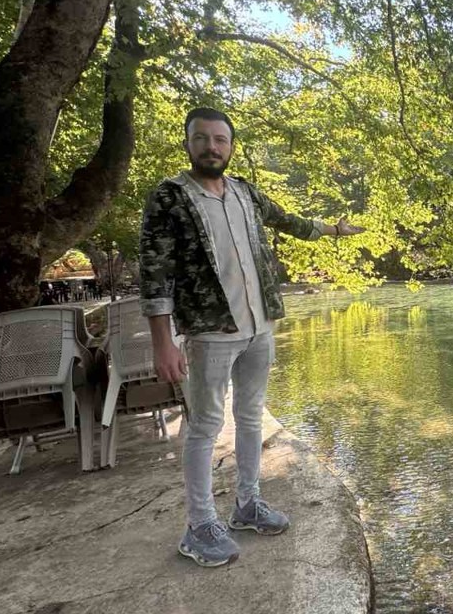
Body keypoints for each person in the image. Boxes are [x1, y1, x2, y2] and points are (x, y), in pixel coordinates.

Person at [139, 106, 364, 567]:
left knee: (250, 418)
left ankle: (247, 505)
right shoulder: (170, 197)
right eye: (202, 139)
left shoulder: (244, 192)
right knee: (203, 428)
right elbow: (154, 270)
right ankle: (199, 526)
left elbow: (291, 222)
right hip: (210, 330)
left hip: (260, 326)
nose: (211, 147)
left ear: (230, 146)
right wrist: (162, 340)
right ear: (188, 143)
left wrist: (334, 230)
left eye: (220, 140)